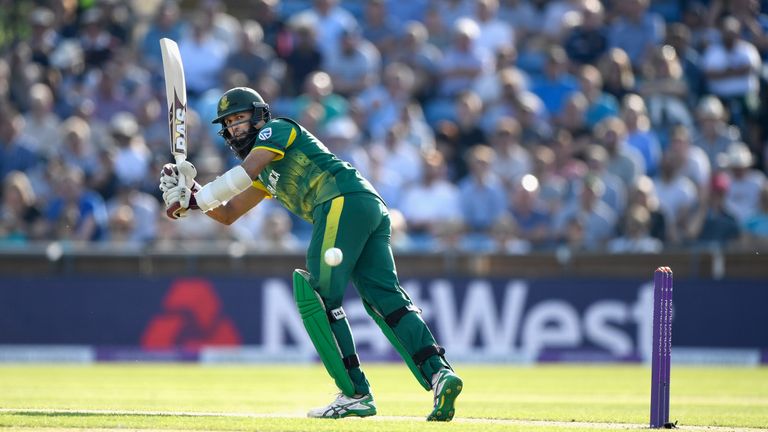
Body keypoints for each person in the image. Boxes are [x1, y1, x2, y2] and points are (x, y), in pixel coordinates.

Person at [159, 87, 462, 421]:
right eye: (228, 123)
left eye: (240, 118)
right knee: (383, 298)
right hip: (366, 207)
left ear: (259, 115)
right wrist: (192, 196)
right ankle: (439, 374)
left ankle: (354, 393)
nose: (234, 128)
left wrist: (200, 197)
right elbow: (229, 212)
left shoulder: (278, 130)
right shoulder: (264, 172)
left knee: (315, 296)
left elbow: (245, 172)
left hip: (340, 199)